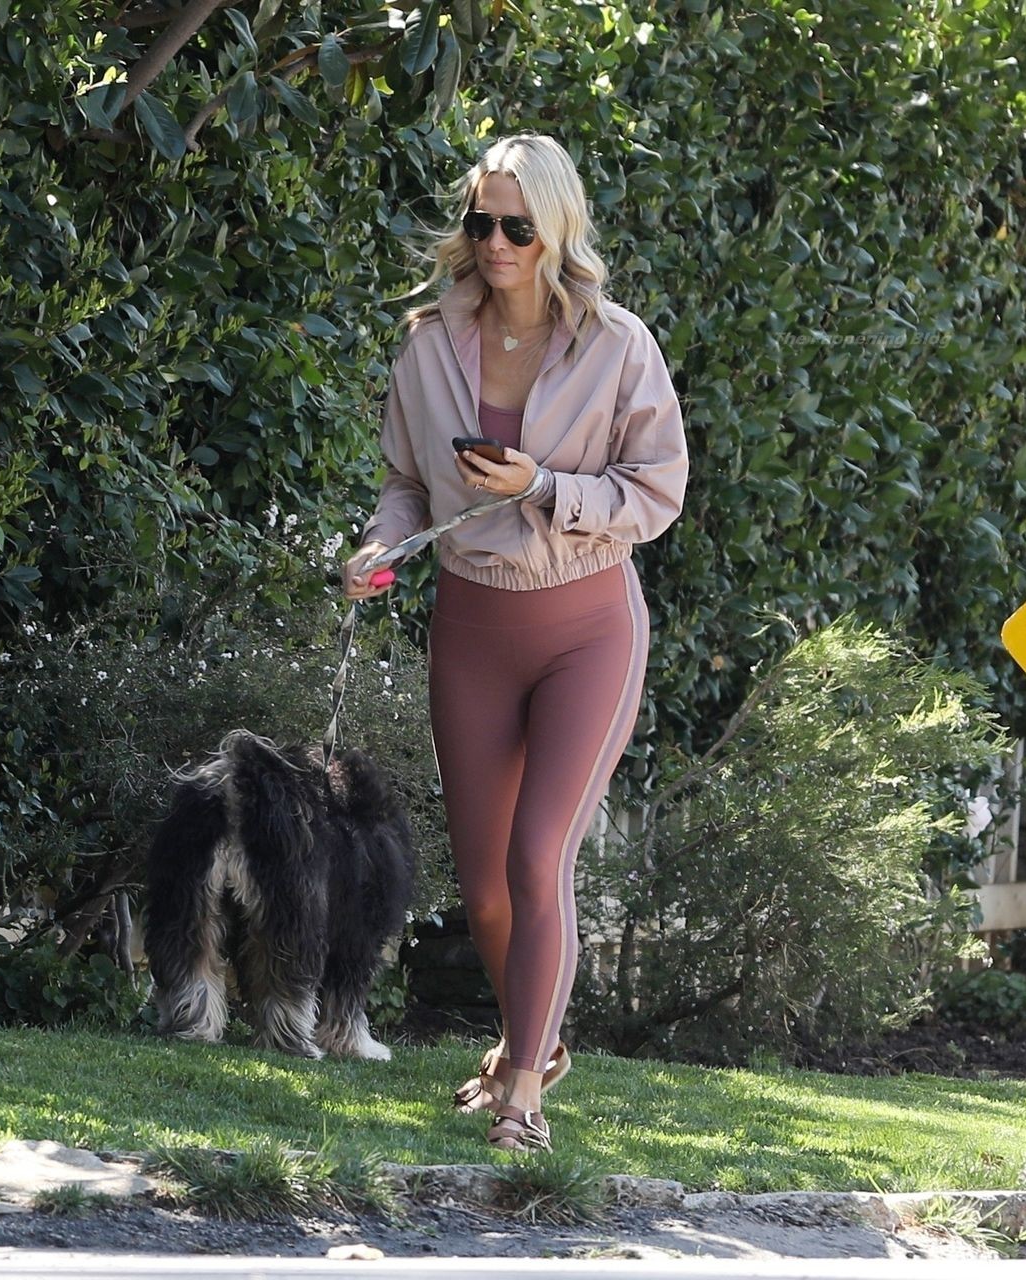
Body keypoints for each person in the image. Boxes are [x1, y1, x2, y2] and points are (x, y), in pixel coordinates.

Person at [340, 132, 689, 1151]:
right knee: (487, 886)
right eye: (482, 222)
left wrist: (542, 485)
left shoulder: (618, 345)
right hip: (472, 622)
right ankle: (524, 1040)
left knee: (541, 856)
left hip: (588, 625)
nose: (495, 242)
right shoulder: (427, 341)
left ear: (557, 230)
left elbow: (656, 492)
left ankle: (525, 1096)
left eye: (518, 227)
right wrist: (380, 547)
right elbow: (406, 482)